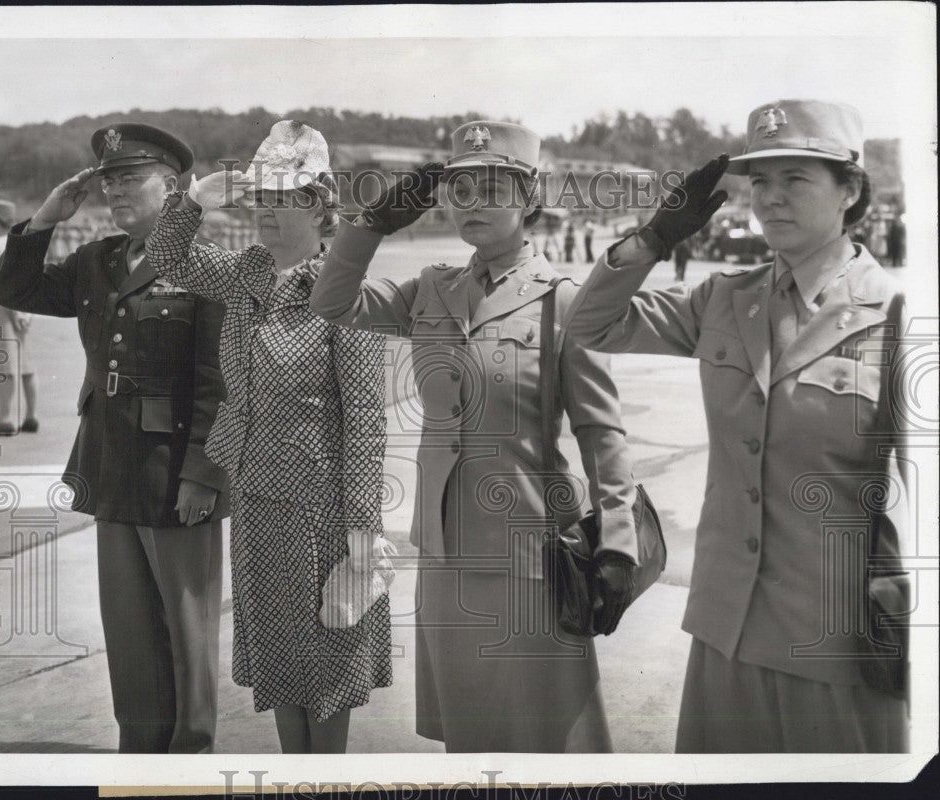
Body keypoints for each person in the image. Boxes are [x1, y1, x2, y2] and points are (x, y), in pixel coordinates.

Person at [566, 99, 909, 752]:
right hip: (726, 634)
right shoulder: (725, 299)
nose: (771, 199)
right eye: (760, 182)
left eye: (795, 179)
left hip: (840, 645)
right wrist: (653, 239)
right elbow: (589, 326)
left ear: (851, 190)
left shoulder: (897, 315)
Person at [311, 121, 639, 753]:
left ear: (530, 198)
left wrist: (618, 544)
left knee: (542, 735)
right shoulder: (432, 289)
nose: (474, 203)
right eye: (460, 190)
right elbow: (330, 304)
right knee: (469, 735)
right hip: (444, 552)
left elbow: (602, 433)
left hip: (532, 555)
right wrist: (369, 227)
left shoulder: (565, 303)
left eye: (493, 187)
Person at [144, 120, 393, 755]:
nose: (268, 214)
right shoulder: (249, 275)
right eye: (263, 199)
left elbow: (365, 421)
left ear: (319, 206)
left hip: (324, 514)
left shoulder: (343, 288)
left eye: (286, 200)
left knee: (328, 666)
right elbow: (167, 258)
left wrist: (362, 534)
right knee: (281, 660)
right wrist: (194, 200)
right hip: (255, 503)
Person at [0, 123, 229, 753]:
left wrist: (203, 475)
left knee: (186, 629)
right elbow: (15, 289)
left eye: (131, 179)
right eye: (109, 181)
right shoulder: (98, 260)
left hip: (177, 471)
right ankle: (141, 749)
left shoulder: (208, 263)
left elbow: (219, 384)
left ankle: (191, 753)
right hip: (108, 465)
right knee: (128, 630)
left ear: (173, 187)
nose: (116, 192)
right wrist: (42, 221)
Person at [0, 199, 39, 434]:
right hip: (26, 308)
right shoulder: (21, 244)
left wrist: (14, 313)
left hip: (3, 310)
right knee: (26, 365)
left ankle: (5, 418)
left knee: (5, 366)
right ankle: (31, 416)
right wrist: (26, 313)